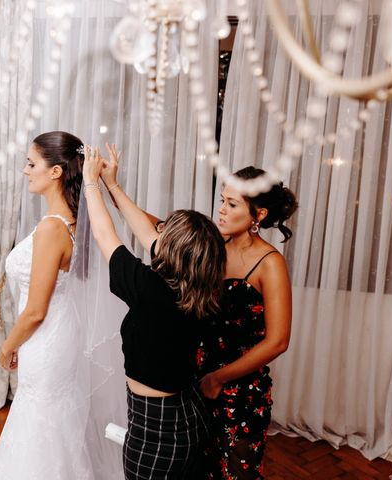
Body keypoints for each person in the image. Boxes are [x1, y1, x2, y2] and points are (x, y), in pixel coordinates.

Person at [82, 145, 226, 479]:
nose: (156, 229)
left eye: (164, 229)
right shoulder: (203, 290)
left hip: (155, 431)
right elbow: (147, 234)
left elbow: (107, 234)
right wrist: (112, 184)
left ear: (172, 251)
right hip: (189, 416)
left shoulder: (151, 290)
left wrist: (91, 182)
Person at [0, 131, 92, 479]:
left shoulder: (52, 228)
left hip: (45, 338)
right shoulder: (73, 222)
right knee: (54, 422)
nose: (25, 170)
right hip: (60, 333)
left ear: (56, 172)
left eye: (32, 163)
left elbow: (35, 310)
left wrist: (7, 346)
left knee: (39, 421)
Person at [197, 166, 297, 479]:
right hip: (196, 382)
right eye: (223, 200)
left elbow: (278, 341)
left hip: (241, 392)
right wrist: (115, 191)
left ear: (258, 214)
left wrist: (217, 379)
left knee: (236, 472)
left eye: (232, 204)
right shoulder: (215, 245)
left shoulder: (270, 263)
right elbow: (162, 230)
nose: (222, 209)